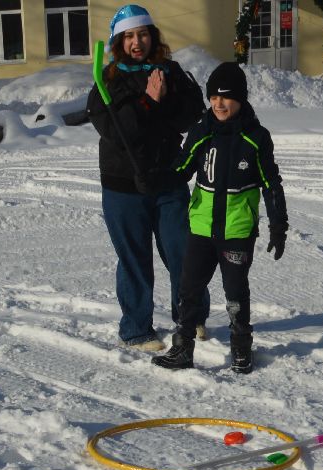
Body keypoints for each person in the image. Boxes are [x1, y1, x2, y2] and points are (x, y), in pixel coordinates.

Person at [154, 62, 287, 375]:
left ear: (240, 99)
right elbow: (182, 168)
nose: (219, 104)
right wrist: (156, 177)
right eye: (213, 97)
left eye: (226, 98)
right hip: (200, 228)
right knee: (188, 290)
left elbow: (271, 184)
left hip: (237, 230)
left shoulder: (256, 138)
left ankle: (241, 347)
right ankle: (182, 347)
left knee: (235, 291)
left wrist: (278, 226)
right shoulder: (202, 131)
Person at [86, 5, 203, 352]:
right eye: (130, 36)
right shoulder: (108, 81)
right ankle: (137, 330)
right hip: (123, 185)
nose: (138, 42)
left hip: (168, 179)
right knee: (135, 257)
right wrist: (149, 103)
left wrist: (163, 103)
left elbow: (190, 115)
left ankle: (191, 317)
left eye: (143, 34)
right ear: (119, 42)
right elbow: (114, 129)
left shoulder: (171, 72)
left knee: (183, 250)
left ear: (153, 36)